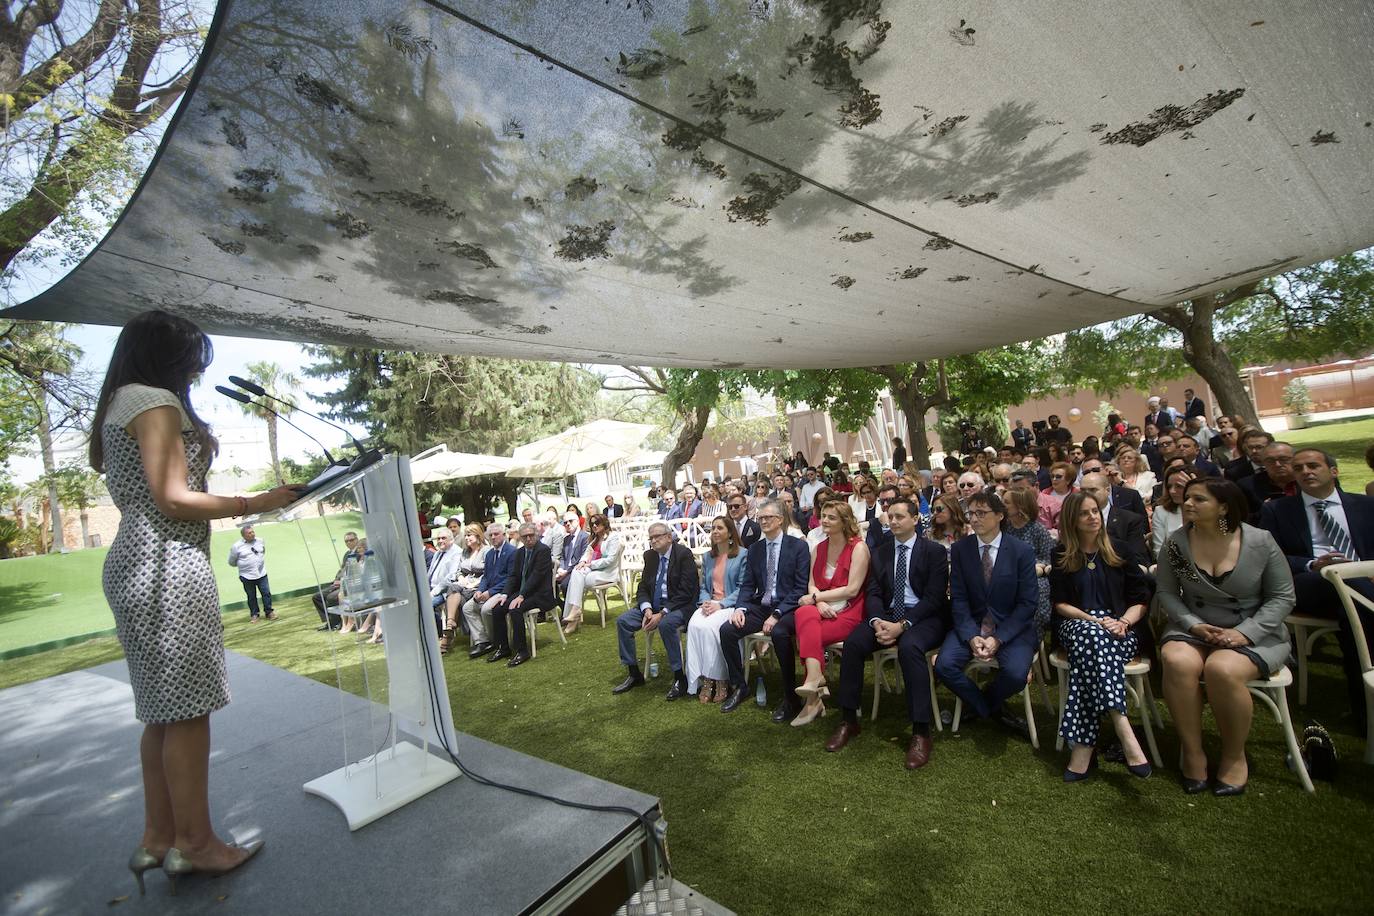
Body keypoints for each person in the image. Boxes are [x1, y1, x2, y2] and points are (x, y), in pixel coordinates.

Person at [90, 310, 301, 890]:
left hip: (135, 560)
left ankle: (158, 838)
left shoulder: (118, 401)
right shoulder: (154, 401)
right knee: (187, 712)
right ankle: (197, 843)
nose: (196, 374)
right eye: (192, 361)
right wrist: (253, 503)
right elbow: (174, 497)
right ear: (168, 357)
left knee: (160, 713)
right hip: (168, 566)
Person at [1158, 478, 1296, 795]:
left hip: (1253, 630)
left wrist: (1244, 633)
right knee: (1176, 661)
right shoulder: (1178, 543)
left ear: (1223, 506)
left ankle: (1234, 757)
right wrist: (1192, 624)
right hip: (1194, 626)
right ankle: (1193, 752)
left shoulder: (1259, 542)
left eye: (1198, 499)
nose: (1188, 503)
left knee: (1221, 669)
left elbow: (1282, 598)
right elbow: (1167, 591)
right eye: (1187, 497)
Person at [826, 497, 949, 767]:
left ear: (916, 520)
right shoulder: (880, 551)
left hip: (923, 617)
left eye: (899, 516)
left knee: (910, 648)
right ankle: (849, 719)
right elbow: (872, 593)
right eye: (890, 516)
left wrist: (903, 625)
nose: (892, 521)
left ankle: (920, 731)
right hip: (886, 617)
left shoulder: (934, 552)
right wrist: (877, 622)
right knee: (854, 643)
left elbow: (934, 599)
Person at [1260, 448, 1374, 734]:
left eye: (1313, 466)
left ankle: (1364, 708)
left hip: (1364, 580)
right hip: (1309, 581)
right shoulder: (1277, 509)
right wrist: (1311, 563)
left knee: (1355, 614)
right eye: (1299, 469)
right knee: (1343, 582)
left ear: (1333, 471)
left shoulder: (1366, 506)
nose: (1306, 472)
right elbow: (1269, 557)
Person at [1050, 493, 1154, 781]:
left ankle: (1082, 750)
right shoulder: (1061, 554)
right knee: (1091, 635)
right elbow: (1060, 604)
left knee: (1090, 657)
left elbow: (1140, 598)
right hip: (1078, 625)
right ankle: (1123, 727)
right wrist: (1094, 620)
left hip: (1122, 631)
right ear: (1072, 520)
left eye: (1095, 511)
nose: (1093, 517)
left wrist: (1122, 622)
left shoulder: (1119, 550)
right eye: (1084, 513)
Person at [934, 492, 1039, 736]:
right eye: (972, 513)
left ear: (1000, 516)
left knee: (1015, 674)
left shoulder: (1021, 551)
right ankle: (990, 708)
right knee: (944, 665)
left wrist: (998, 638)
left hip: (1011, 630)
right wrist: (971, 635)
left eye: (982, 513)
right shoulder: (961, 549)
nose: (975, 519)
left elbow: (1027, 603)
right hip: (971, 626)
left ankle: (982, 702)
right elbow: (958, 599)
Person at [777, 502, 872, 726]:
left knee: (805, 626)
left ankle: (813, 695)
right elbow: (811, 585)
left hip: (849, 611)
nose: (825, 521)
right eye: (824, 516)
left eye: (832, 518)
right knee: (804, 615)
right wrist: (817, 603)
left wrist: (816, 599)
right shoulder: (818, 548)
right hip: (822, 608)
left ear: (845, 522)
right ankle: (814, 681)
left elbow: (852, 589)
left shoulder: (858, 548)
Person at [718, 497, 812, 714]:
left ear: (780, 520)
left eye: (768, 517)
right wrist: (740, 608)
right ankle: (740, 687)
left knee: (779, 633)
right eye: (760, 518)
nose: (763, 521)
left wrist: (777, 614)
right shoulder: (756, 549)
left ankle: (791, 697)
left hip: (789, 606)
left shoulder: (798, 547)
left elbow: (800, 588)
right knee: (727, 630)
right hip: (762, 605)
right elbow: (748, 585)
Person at [614, 521, 699, 698]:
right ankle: (634, 673)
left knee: (666, 624)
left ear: (669, 537)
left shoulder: (683, 554)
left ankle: (679, 677)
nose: (653, 541)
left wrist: (662, 613)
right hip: (652, 607)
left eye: (657, 537)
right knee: (623, 621)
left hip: (678, 606)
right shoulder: (650, 556)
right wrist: (646, 609)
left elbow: (687, 591)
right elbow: (643, 586)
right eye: (650, 538)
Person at [686, 515, 749, 702]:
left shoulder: (742, 555)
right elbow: (704, 587)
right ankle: (704, 677)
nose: (715, 531)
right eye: (713, 528)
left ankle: (720, 678)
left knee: (709, 628)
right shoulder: (708, 556)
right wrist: (706, 602)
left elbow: (743, 587)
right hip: (710, 604)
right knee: (694, 625)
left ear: (730, 532)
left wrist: (720, 604)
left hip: (729, 606)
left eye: (720, 528)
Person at [489, 522, 554, 668]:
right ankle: (503, 647)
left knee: (515, 609)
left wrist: (521, 596)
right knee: (498, 608)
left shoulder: (543, 550)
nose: (529, 539)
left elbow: (536, 576)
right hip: (523, 591)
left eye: (531, 535)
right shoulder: (519, 552)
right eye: (525, 537)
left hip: (540, 594)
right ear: (521, 538)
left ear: (536, 535)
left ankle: (522, 650)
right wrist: (505, 594)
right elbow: (513, 577)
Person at [560, 513, 623, 635]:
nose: (594, 526)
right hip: (593, 571)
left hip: (607, 572)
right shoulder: (594, 539)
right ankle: (575, 612)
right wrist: (583, 562)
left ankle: (572, 617)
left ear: (604, 524)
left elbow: (610, 560)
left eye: (597, 523)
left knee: (577, 579)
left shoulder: (613, 537)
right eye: (592, 524)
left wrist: (590, 564)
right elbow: (586, 554)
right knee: (576, 571)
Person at [1003, 487, 1054, 636]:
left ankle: (1032, 636)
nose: (1002, 505)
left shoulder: (1038, 530)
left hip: (1034, 575)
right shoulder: (1004, 529)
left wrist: (1033, 567)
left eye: (1006, 502)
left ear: (1020, 506)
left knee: (1033, 594)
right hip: (1007, 573)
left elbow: (1047, 558)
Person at [462, 523, 516, 659]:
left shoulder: (512, 552)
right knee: (467, 608)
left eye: (496, 534)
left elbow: (510, 578)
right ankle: (483, 641)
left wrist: (489, 593)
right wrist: (480, 590)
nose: (493, 537)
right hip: (489, 590)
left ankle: (497, 642)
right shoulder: (490, 554)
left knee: (486, 609)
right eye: (490, 535)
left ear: (504, 535)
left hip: (503, 591)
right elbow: (485, 576)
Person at [1078, 472, 1150, 570]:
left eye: (1092, 490)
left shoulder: (1130, 520)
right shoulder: (1073, 518)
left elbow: (1138, 559)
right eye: (1082, 490)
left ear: (1107, 490)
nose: (1086, 495)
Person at [439, 524, 488, 654]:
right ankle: (450, 624)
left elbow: (488, 573)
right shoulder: (465, 552)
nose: (466, 538)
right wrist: (461, 579)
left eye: (469, 535)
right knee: (453, 587)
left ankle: (447, 635)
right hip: (463, 585)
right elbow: (459, 571)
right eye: (465, 535)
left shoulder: (486, 551)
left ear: (478, 536)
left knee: (455, 596)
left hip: (478, 586)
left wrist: (474, 583)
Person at [312, 531, 360, 630]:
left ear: (357, 540)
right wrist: (336, 580)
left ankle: (336, 623)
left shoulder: (359, 553)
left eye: (351, 540)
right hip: (339, 582)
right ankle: (329, 622)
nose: (349, 543)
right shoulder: (347, 554)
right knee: (317, 596)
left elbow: (355, 572)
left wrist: (342, 581)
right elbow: (342, 569)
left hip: (349, 583)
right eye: (347, 541)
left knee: (331, 597)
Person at [227, 525, 275, 622]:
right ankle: (254, 614)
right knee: (251, 596)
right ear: (243, 535)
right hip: (246, 576)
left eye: (253, 532)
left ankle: (269, 612)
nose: (252, 534)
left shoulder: (260, 541)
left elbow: (262, 552)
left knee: (266, 593)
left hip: (261, 573)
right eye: (249, 533)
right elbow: (232, 561)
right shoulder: (237, 546)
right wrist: (244, 565)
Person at [1151, 466, 1197, 562]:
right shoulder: (1161, 512)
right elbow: (1159, 553)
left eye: (1179, 486)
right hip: (1176, 566)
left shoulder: (1209, 510)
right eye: (1169, 486)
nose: (1172, 491)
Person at [426, 528, 461, 633]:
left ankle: (439, 633)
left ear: (451, 540)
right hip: (431, 588)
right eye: (438, 538)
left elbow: (451, 577)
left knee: (426, 606)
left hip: (443, 591)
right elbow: (430, 572)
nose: (440, 541)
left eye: (443, 538)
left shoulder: (456, 552)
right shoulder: (438, 553)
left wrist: (434, 592)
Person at [554, 512, 589, 604]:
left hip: (577, 570)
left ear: (577, 521)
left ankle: (570, 612)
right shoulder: (566, 539)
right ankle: (561, 606)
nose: (568, 524)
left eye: (570, 521)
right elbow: (562, 557)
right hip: (564, 570)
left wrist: (567, 571)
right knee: (548, 583)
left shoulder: (585, 537)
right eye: (565, 523)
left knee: (565, 584)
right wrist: (561, 568)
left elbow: (582, 558)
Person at [1038, 462, 1075, 535]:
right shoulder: (1044, 494)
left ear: (1068, 480)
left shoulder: (1077, 494)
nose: (1054, 479)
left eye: (1058, 477)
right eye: (1052, 476)